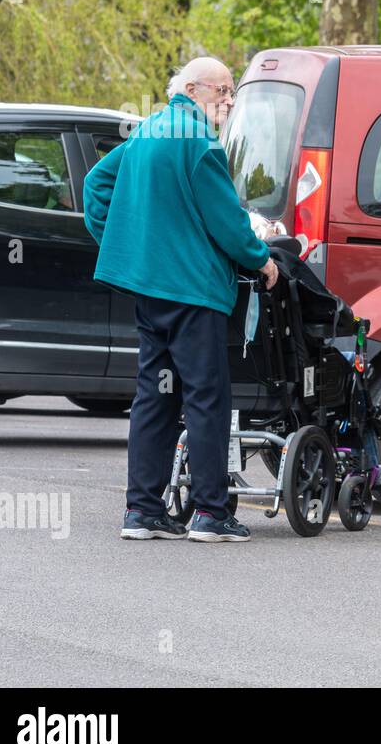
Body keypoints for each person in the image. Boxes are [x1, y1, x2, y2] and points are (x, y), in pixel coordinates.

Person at [83, 56, 278, 543]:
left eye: (232, 92)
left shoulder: (149, 130)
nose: (229, 101)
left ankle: (143, 512)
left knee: (156, 395)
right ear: (192, 89)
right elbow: (228, 221)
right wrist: (263, 260)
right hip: (194, 292)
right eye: (222, 90)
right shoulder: (200, 142)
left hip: (150, 290)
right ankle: (211, 514)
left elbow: (95, 185)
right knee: (208, 398)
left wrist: (127, 244)